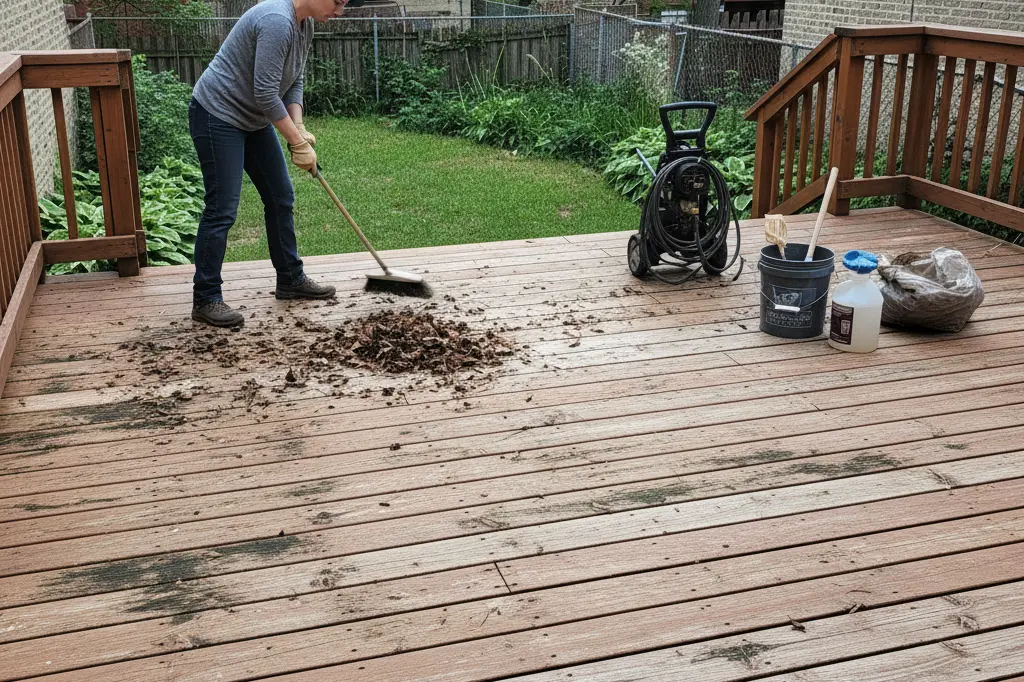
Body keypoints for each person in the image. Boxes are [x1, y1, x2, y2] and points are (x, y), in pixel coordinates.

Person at [188, 0, 357, 327]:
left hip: (252, 118)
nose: (339, 12)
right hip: (217, 115)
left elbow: (293, 80)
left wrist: (300, 127)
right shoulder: (276, 20)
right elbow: (266, 93)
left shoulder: (304, 24)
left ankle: (290, 279)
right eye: (337, 2)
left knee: (281, 196)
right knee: (222, 208)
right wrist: (294, 140)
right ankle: (206, 297)